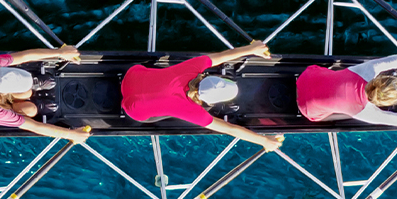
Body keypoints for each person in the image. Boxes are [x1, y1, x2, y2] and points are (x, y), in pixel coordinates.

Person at [120, 41, 284, 151]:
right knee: (165, 112)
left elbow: (223, 55)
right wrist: (264, 141)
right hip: (132, 110)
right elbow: (230, 128)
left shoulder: (194, 67)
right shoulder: (193, 112)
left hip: (131, 75)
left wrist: (252, 49)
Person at [296, 44, 397, 137]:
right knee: (347, 114)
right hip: (307, 110)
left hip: (306, 76)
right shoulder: (366, 113)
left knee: (342, 81)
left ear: (380, 78)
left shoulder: (368, 70)